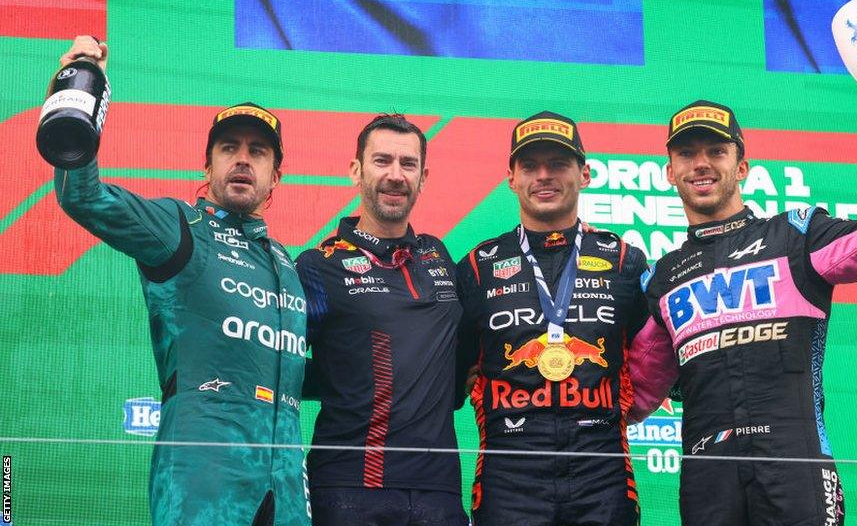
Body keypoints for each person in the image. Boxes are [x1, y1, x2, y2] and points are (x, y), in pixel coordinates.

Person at [627, 87, 857, 526]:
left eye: (716, 151)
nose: (701, 164)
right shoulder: (664, 278)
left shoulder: (797, 235)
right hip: (707, 478)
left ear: (742, 167)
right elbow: (631, 394)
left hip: (797, 466)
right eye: (686, 154)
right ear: (670, 172)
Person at [52, 36, 310, 525]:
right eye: (228, 147)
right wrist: (78, 91)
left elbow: (291, 371)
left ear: (276, 175)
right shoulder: (178, 228)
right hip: (202, 478)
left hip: (285, 487)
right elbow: (82, 197)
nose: (242, 159)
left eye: (258, 152)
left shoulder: (287, 265)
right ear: (206, 165)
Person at [455, 111, 652, 526]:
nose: (544, 176)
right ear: (511, 178)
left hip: (604, 482)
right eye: (530, 165)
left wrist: (632, 405)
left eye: (558, 164)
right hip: (508, 484)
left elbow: (658, 360)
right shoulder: (477, 267)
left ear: (584, 173)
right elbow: (454, 373)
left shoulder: (624, 262)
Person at [295, 114, 468, 526]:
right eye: (381, 161)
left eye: (407, 164)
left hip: (439, 489)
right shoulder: (318, 266)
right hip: (348, 487)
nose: (395, 175)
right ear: (355, 170)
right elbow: (282, 362)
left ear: (423, 177)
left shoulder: (437, 256)